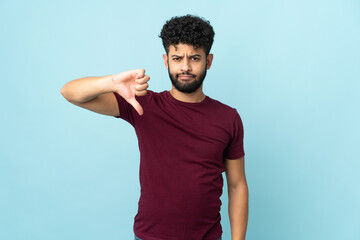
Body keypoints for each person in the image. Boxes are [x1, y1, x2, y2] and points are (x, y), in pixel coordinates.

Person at [61, 14, 248, 240]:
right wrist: (111, 82)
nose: (185, 67)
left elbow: (237, 185)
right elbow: (70, 93)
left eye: (195, 58)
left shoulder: (228, 118)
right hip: (150, 236)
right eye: (177, 58)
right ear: (166, 60)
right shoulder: (142, 104)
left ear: (208, 61)